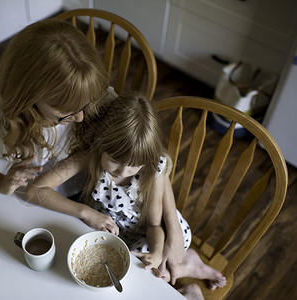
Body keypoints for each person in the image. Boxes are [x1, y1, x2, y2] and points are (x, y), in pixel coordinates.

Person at [25, 91, 226, 300]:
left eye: (132, 167)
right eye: (114, 161)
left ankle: (188, 273)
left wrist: (157, 253)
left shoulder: (151, 169)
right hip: (118, 234)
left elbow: (154, 225)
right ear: (101, 143)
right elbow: (34, 191)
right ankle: (187, 267)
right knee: (131, 275)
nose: (122, 172)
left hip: (145, 235)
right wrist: (86, 213)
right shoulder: (88, 155)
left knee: (140, 276)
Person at [0, 19, 108, 196]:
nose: (80, 117)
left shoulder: (86, 91)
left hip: (78, 184)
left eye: (85, 105)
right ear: (29, 97)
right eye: (65, 112)